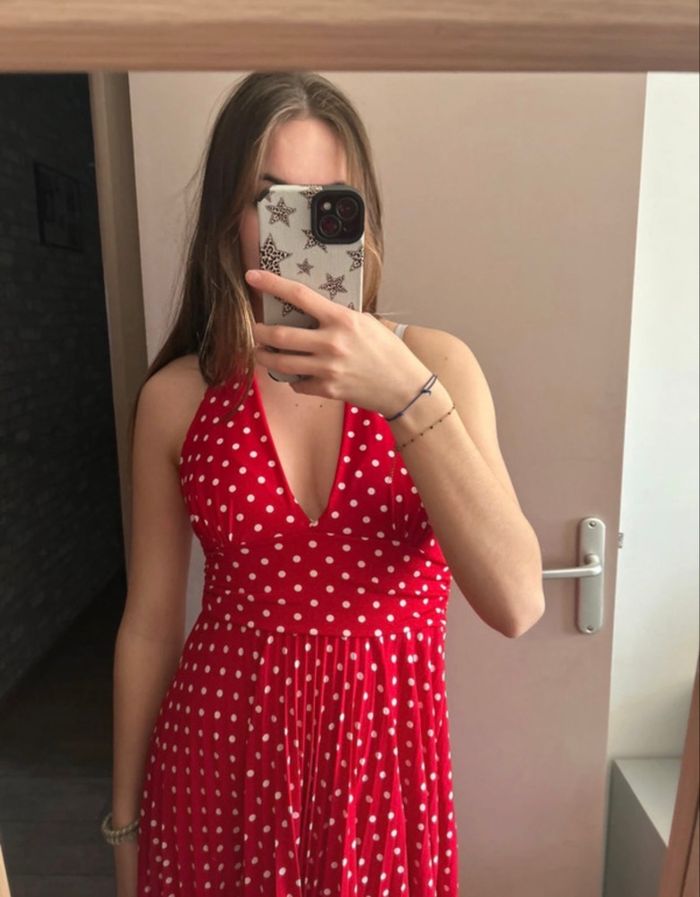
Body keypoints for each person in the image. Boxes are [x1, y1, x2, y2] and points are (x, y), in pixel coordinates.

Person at [107, 70, 544, 896]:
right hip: (218, 767)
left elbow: (517, 600)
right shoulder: (179, 397)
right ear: (230, 221)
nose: (301, 230)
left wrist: (407, 396)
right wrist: (125, 827)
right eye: (272, 200)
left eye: (329, 204)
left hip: (384, 776)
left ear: (361, 218)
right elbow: (150, 628)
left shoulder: (438, 368)